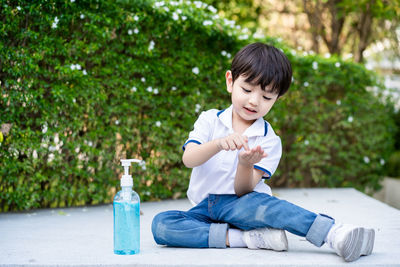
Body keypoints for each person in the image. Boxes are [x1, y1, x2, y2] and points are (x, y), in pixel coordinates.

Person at [151, 42, 375, 262]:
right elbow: (189, 159)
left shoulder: (268, 139)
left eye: (267, 97)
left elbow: (243, 191)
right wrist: (218, 144)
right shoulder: (209, 119)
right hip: (203, 210)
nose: (253, 101)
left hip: (243, 209)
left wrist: (245, 164)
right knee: (162, 224)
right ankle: (244, 238)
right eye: (246, 90)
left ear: (277, 99)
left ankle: (334, 233)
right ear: (230, 81)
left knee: (271, 207)